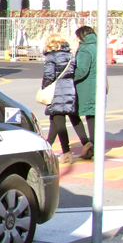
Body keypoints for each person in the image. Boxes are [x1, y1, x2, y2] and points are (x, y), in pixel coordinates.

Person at [41, 31, 86, 164]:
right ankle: (47, 145)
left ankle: (66, 152)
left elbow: (49, 76)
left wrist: (44, 88)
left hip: (57, 90)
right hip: (69, 88)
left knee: (59, 122)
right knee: (55, 119)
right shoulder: (70, 56)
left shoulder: (51, 57)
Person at [72, 25, 98, 160]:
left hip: (84, 87)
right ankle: (94, 145)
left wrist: (70, 77)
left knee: (72, 113)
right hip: (96, 87)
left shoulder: (84, 49)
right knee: (92, 116)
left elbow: (82, 70)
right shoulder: (97, 45)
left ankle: (86, 142)